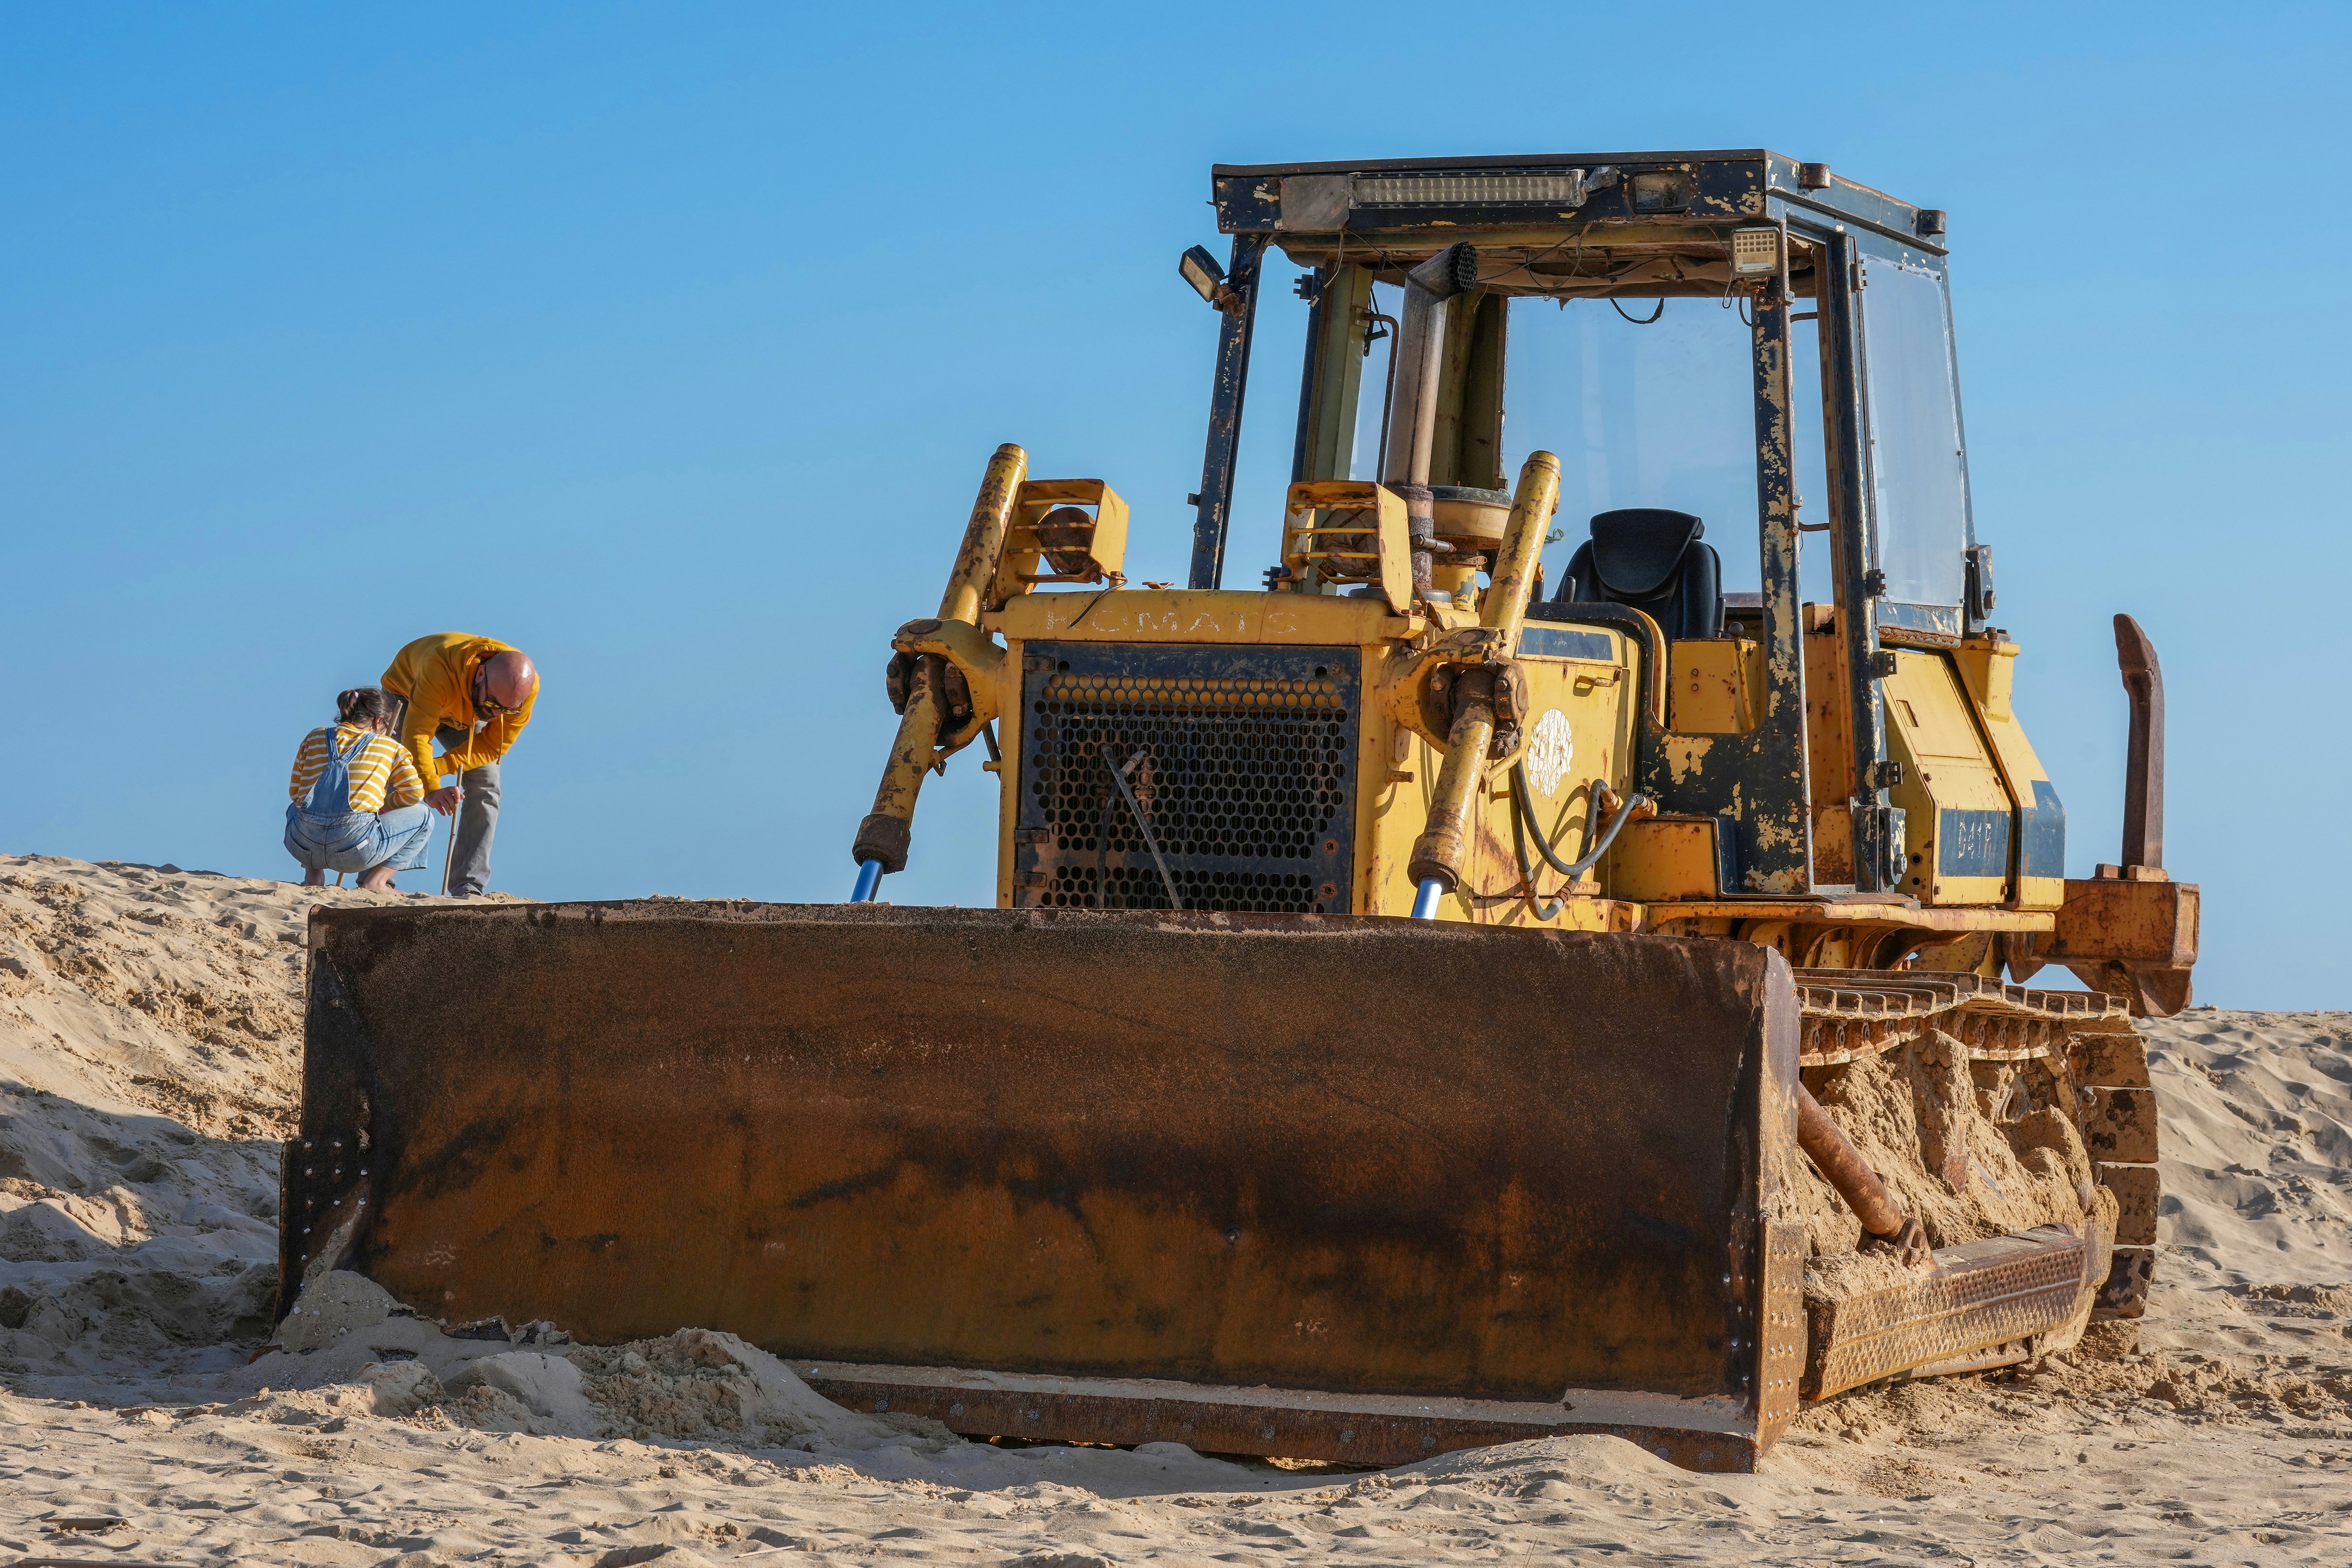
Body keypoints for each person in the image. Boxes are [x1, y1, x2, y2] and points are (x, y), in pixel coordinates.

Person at [381, 633, 540, 898]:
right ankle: (376, 881)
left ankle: (468, 885)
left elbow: (492, 747)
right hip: (408, 694)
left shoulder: (516, 694)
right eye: (493, 705)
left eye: (508, 710)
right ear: (480, 675)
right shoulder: (439, 667)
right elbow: (417, 736)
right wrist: (430, 787)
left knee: (487, 786)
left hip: (466, 711)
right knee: (396, 775)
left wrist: (439, 767)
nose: (498, 715)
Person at [285, 688, 435, 891]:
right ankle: (377, 882)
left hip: (303, 846)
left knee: (299, 807)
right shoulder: (391, 747)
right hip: (355, 851)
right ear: (379, 721)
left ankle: (313, 876)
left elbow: (296, 793)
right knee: (424, 816)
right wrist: (383, 805)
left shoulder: (314, 737)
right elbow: (414, 794)